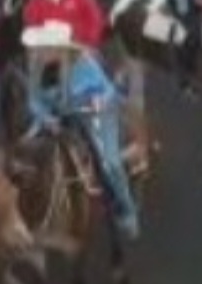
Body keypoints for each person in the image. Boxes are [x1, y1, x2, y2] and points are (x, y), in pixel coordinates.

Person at [21, 21, 139, 239]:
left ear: (59, 48)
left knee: (108, 162)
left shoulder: (84, 64)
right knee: (21, 155)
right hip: (56, 119)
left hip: (93, 116)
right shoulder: (36, 66)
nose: (41, 52)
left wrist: (97, 102)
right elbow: (33, 100)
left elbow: (107, 91)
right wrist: (47, 119)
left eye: (46, 48)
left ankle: (126, 209)